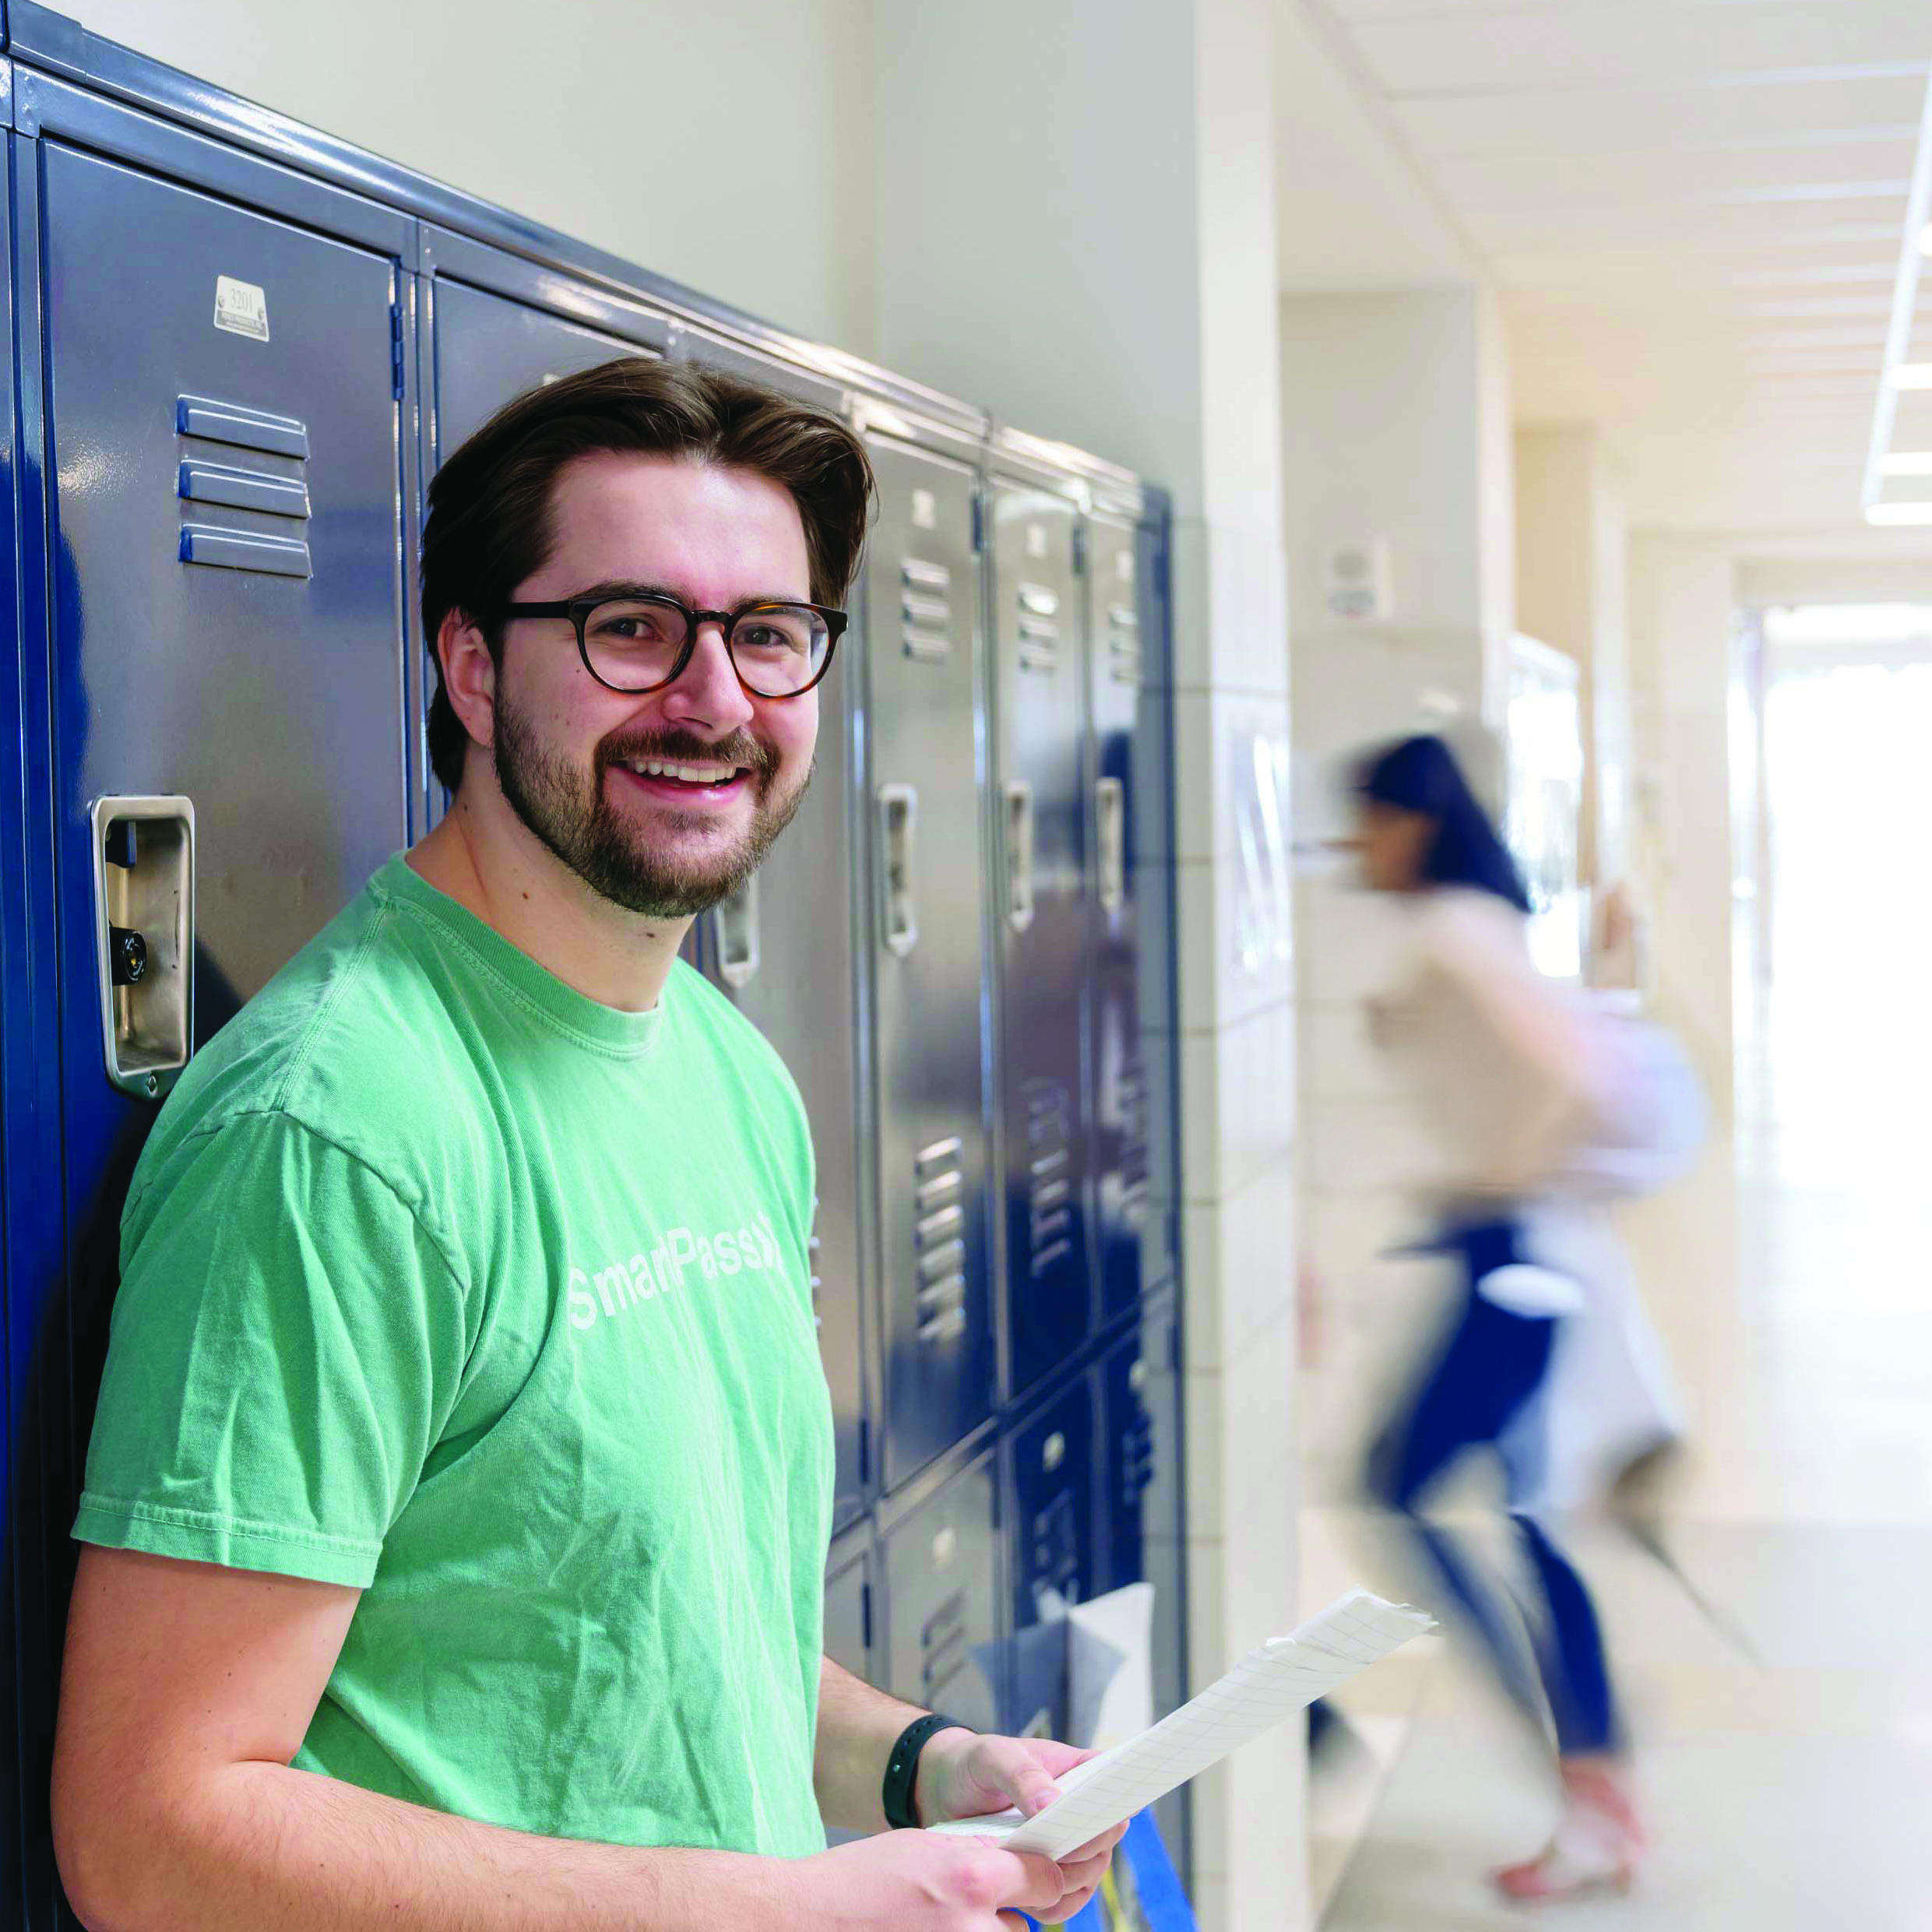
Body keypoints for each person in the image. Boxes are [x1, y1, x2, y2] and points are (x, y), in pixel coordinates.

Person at [51, 357, 1119, 1932]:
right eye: (630, 628)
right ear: (473, 669)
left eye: (768, 635)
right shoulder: (340, 1132)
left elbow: (652, 1635)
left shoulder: (726, 1071)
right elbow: (154, 1837)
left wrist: (920, 1763)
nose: (713, 701)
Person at [1353, 733, 1659, 1903]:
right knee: (1513, 1515)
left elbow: (1580, 1076)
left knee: (1432, 1494)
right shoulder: (1479, 917)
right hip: (1525, 1255)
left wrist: (1500, 1185)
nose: (1356, 850)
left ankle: (1586, 1778)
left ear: (1412, 824)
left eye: (1366, 824)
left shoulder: (1447, 933)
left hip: (1514, 1262)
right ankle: (1590, 1769)